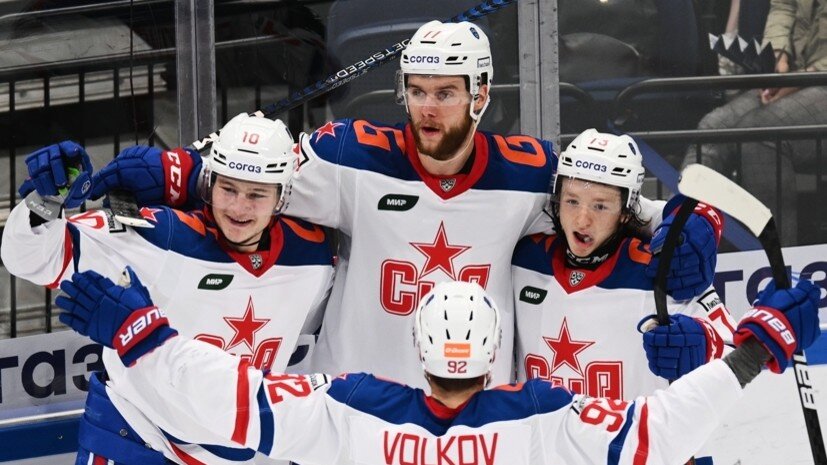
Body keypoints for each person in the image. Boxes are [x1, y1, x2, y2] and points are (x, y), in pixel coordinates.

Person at [86, 20, 723, 389]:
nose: (427, 108)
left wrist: (696, 225)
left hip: (474, 418)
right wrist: (177, 171)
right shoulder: (351, 157)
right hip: (353, 410)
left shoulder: (529, 173)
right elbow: (253, 177)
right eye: (417, 91)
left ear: (480, 96)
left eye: (445, 93)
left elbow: (618, 203)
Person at [56, 269, 821, 465]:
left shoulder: (351, 406)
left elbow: (235, 401)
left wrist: (142, 336)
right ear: (491, 351)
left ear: (420, 347)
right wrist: (758, 346)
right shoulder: (544, 414)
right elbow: (662, 429)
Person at [0, 114, 334, 464]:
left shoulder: (313, 258)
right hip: (138, 440)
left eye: (257, 194)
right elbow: (33, 258)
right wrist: (46, 200)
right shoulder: (163, 237)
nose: (238, 207)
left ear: (282, 196)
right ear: (209, 182)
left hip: (243, 453)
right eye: (228, 189)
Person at [512, 129, 734, 400]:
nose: (582, 220)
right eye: (572, 201)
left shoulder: (662, 270)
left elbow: (739, 351)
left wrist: (706, 344)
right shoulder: (522, 259)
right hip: (538, 430)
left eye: (600, 206)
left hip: (632, 430)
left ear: (627, 211)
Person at [681, 0, 827, 246]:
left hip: (815, 77)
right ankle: (675, 242)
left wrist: (800, 79)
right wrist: (778, 58)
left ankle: (775, 260)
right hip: (796, 73)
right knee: (714, 126)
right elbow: (784, 6)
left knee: (762, 133)